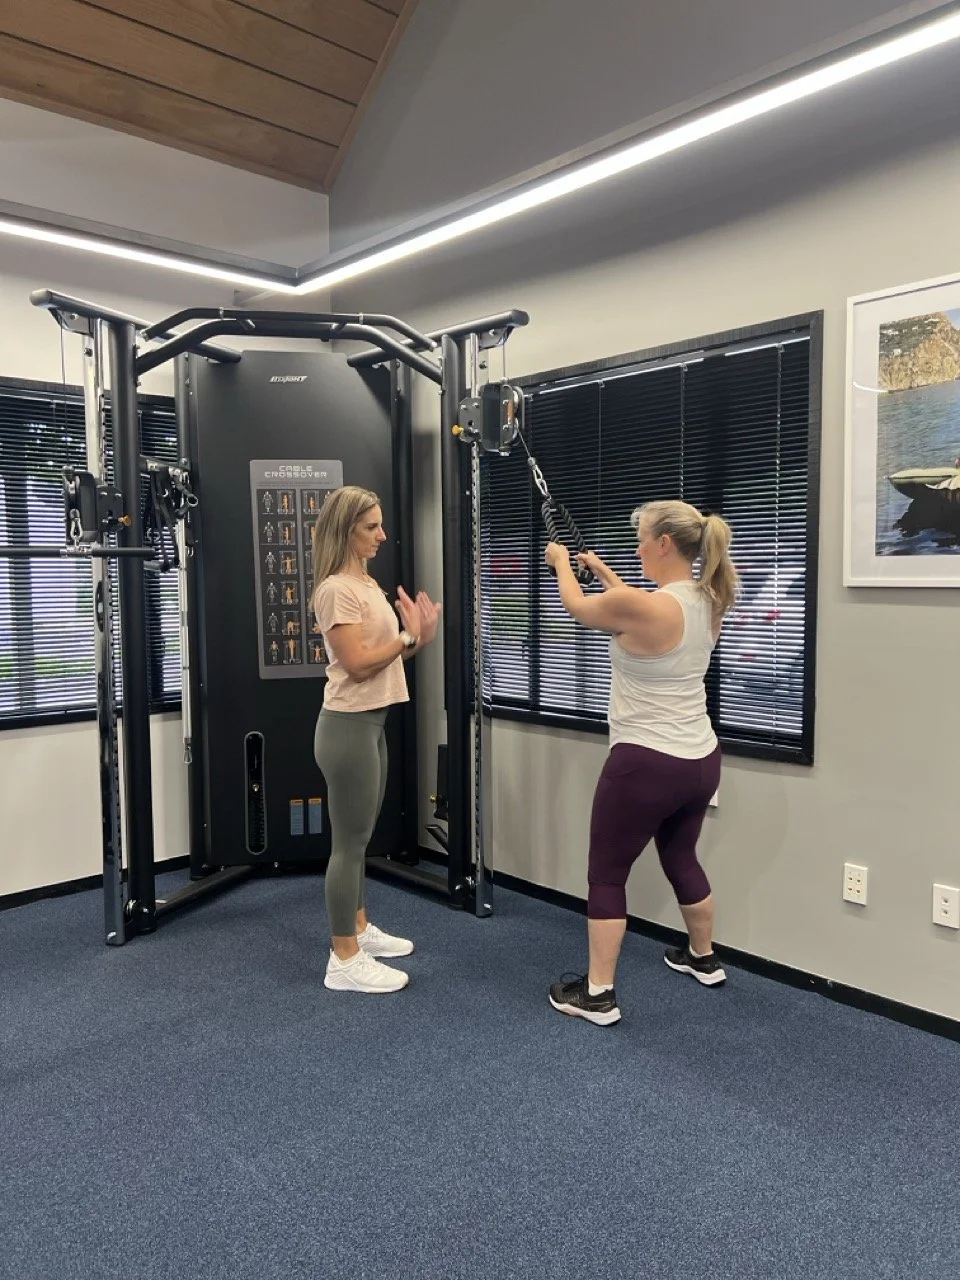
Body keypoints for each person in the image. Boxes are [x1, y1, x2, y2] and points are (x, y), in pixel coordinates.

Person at [544, 499, 739, 1027]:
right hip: (700, 760)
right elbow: (637, 605)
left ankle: (598, 994)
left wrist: (563, 564)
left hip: (645, 762)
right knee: (682, 857)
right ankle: (703, 957)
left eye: (641, 540)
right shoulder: (710, 597)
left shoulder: (646, 607)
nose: (637, 549)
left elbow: (580, 609)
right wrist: (603, 570)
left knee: (606, 874)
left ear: (664, 544)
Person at [311, 486, 441, 995]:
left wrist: (416, 640)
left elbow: (381, 657)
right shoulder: (336, 589)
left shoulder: (364, 583)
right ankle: (342, 957)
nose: (383, 535)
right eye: (372, 527)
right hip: (346, 729)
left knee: (359, 839)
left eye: (382, 524)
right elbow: (358, 664)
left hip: (371, 724)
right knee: (348, 845)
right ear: (347, 529)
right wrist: (407, 637)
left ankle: (360, 928)